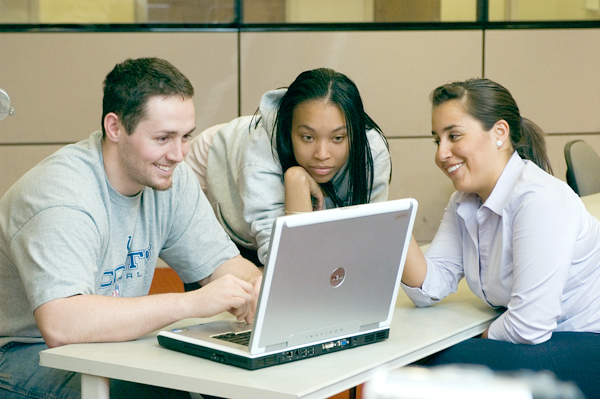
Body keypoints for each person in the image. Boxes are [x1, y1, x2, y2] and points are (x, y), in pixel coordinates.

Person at [0, 57, 262, 399]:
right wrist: (192, 303)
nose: (179, 154)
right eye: (163, 138)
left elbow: (221, 266)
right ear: (115, 127)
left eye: (186, 137)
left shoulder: (167, 176)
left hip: (107, 346)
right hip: (22, 354)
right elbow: (62, 325)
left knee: (225, 380)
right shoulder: (59, 197)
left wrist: (259, 288)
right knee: (162, 394)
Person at [400, 78, 600, 398]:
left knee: (438, 362)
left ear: (499, 133)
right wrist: (396, 225)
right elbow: (431, 287)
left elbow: (528, 325)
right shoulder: (464, 200)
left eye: (454, 136)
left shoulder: (538, 199)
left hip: (587, 341)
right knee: (423, 358)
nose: (441, 153)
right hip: (549, 336)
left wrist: (475, 339)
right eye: (436, 140)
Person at [185, 68, 392, 265]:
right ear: (288, 129)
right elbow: (280, 258)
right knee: (229, 288)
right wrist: (296, 181)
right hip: (209, 171)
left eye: (337, 138)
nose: (322, 154)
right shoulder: (260, 156)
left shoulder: (372, 152)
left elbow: (365, 239)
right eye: (308, 137)